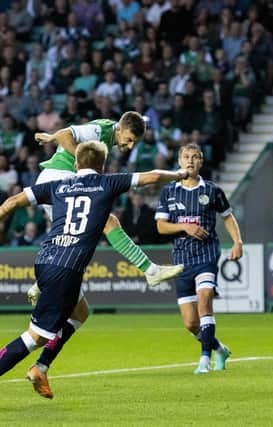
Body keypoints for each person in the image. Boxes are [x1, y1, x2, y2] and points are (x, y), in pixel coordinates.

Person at [0, 140, 188, 398]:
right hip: (65, 270)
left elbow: (12, 202)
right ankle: (32, 364)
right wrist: (179, 174)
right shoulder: (107, 183)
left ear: (76, 164)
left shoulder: (58, 185)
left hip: (44, 260)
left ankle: (41, 367)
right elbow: (153, 176)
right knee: (34, 337)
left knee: (80, 313)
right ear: (102, 166)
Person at [156, 143, 242, 374]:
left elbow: (227, 217)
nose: (190, 161)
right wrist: (184, 226)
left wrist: (237, 242)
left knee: (205, 299)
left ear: (201, 162)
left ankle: (204, 359)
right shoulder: (169, 191)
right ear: (179, 161)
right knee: (191, 324)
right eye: (186, 157)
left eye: (195, 157)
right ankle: (219, 349)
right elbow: (161, 227)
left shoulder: (212, 190)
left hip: (206, 254)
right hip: (181, 259)